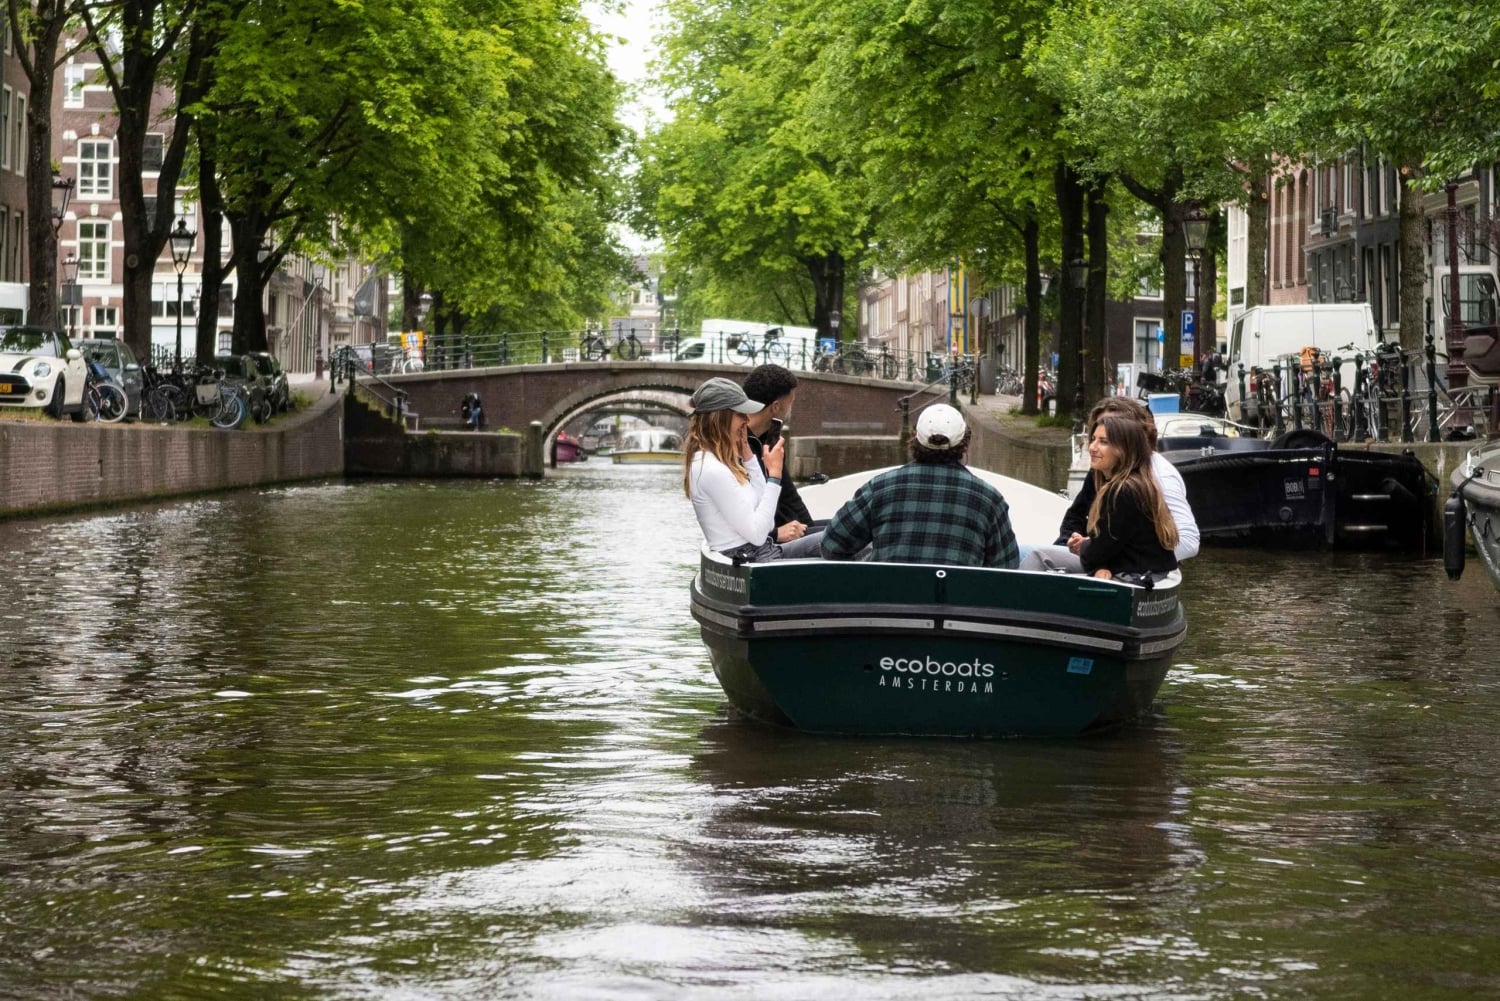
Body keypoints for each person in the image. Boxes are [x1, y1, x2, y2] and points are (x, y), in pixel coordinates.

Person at [821, 404, 1019, 567]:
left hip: (888, 608)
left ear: (915, 437)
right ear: (965, 442)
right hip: (957, 610)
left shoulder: (881, 487)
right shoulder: (989, 499)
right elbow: (1007, 568)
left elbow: (832, 544)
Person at [1036, 396, 1198, 569]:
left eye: (1105, 439)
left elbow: (1189, 542)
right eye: (1095, 436)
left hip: (1124, 567)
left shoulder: (1157, 478)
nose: (1093, 447)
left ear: (1128, 436)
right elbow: (1077, 515)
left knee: (1035, 556)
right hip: (1097, 557)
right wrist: (1068, 542)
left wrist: (1110, 564)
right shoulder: (1103, 471)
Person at [683, 377, 824, 562]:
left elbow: (767, 522)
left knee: (843, 537)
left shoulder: (718, 463)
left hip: (760, 553)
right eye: (741, 414)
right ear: (722, 418)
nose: (746, 420)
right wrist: (774, 476)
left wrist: (750, 459)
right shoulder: (712, 469)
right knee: (844, 540)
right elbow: (758, 535)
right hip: (753, 559)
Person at [743, 364, 814, 544]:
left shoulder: (769, 439)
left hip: (789, 530)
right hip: (768, 541)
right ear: (776, 407)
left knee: (846, 533)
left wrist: (811, 529)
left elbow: (790, 497)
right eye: (790, 404)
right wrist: (775, 533)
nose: (791, 410)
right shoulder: (737, 446)